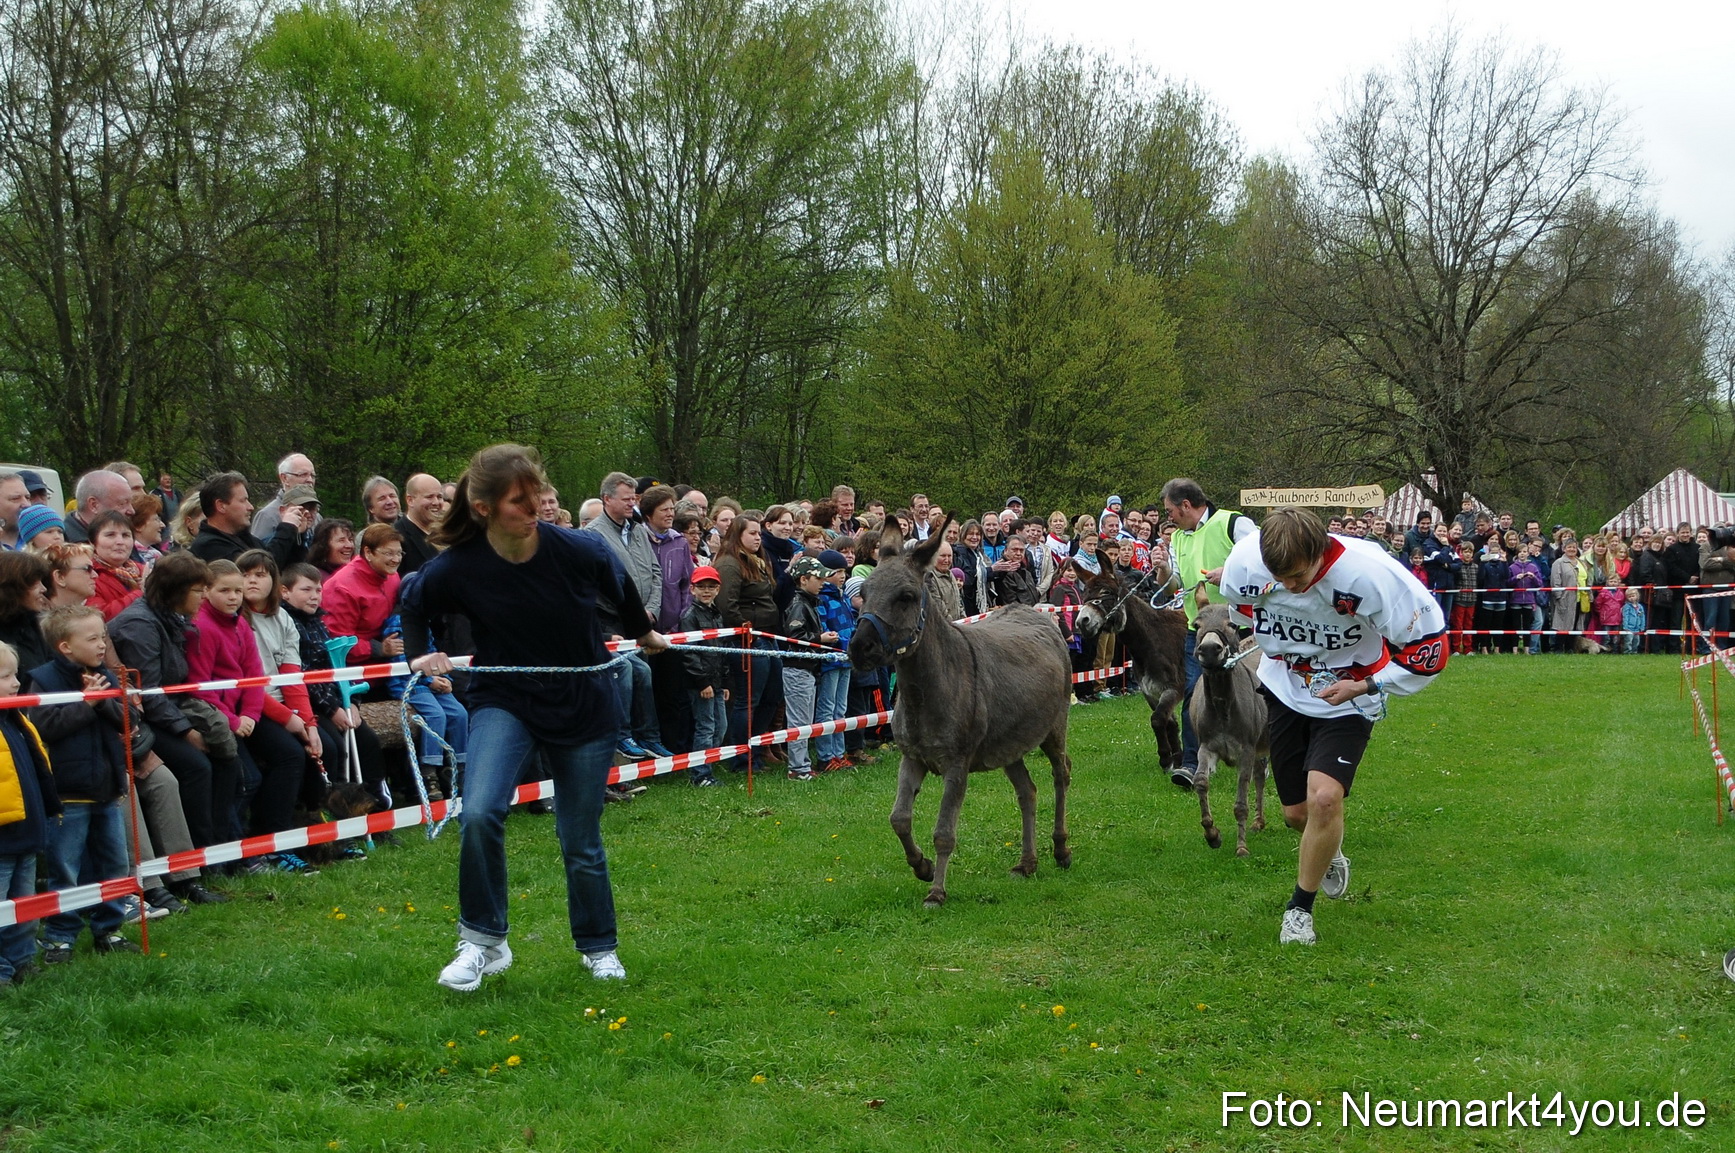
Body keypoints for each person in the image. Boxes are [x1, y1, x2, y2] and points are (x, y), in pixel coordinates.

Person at [398, 443, 669, 991]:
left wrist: (643, 632)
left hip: (584, 700)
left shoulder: (576, 549)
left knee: (580, 838)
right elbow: (413, 601)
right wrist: (417, 652)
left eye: (537, 496)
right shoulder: (458, 566)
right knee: (478, 813)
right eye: (519, 501)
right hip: (506, 699)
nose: (535, 509)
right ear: (483, 507)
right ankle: (483, 941)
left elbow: (620, 587)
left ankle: (598, 947)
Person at [1218, 509, 1447, 945]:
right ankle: (1329, 848)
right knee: (1296, 814)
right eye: (1279, 578)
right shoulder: (1245, 563)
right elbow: (1242, 610)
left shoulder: (1371, 575)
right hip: (1286, 687)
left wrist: (1365, 685)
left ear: (1320, 552)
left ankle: (1298, 911)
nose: (1290, 587)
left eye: (1298, 576)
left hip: (1349, 690)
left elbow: (1430, 650)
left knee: (1324, 798)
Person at [29, 606, 154, 961]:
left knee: (114, 862)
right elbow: (44, 726)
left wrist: (103, 703)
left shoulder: (106, 676)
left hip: (108, 789)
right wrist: (87, 704)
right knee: (65, 867)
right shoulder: (45, 679)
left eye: (104, 636)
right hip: (69, 793)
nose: (102, 645)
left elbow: (126, 718)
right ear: (65, 646)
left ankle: (109, 928)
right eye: (93, 638)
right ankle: (59, 934)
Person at [186, 560, 313, 868]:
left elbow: (255, 675)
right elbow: (199, 686)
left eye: (238, 591)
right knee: (246, 779)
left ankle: (274, 843)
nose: (233, 597)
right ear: (205, 592)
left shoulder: (239, 622)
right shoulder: (201, 628)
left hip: (246, 714)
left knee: (290, 756)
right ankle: (233, 853)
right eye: (225, 590)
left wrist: (252, 716)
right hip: (217, 717)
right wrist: (233, 720)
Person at [1162, 478, 1257, 788]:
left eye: (1170, 510)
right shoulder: (1177, 537)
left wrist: (1228, 574)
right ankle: (1193, 763)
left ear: (1186, 505)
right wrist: (1163, 569)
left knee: (1257, 689)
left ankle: (1262, 750)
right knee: (1194, 691)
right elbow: (1176, 582)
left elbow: (1264, 560)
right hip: (1199, 628)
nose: (1168, 517)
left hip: (1238, 626)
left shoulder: (1233, 524)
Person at [583, 473, 672, 761]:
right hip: (611, 622)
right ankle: (624, 736)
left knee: (645, 678)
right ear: (607, 499)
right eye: (626, 499)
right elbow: (597, 584)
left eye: (634, 499)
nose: (631, 504)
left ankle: (650, 738)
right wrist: (632, 612)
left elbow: (655, 573)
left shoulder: (637, 530)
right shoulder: (594, 535)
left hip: (642, 621)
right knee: (631, 675)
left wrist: (650, 611)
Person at [0, 640, 61, 986]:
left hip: (27, 831)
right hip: (4, 836)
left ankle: (22, 960)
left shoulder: (16, 719)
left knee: (24, 904)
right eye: (6, 677)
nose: (16, 683)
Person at [780, 555, 835, 780]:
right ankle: (798, 768)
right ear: (803, 579)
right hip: (797, 669)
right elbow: (795, 636)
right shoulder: (798, 604)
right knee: (799, 721)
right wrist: (820, 638)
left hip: (808, 669)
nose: (822, 582)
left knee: (805, 719)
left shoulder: (809, 602)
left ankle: (803, 764)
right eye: (817, 578)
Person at [190, 472, 308, 570]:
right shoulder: (208, 546)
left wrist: (298, 534)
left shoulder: (245, 538)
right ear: (221, 506)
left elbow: (287, 569)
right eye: (243, 500)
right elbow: (264, 570)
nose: (250, 507)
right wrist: (287, 528)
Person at [678, 565, 729, 785]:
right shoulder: (689, 616)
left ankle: (707, 764)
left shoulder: (717, 614)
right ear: (692, 589)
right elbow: (689, 652)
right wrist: (702, 682)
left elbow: (722, 650)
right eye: (701, 587)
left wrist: (724, 681)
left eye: (711, 587)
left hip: (717, 680)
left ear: (718, 590)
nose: (706, 591)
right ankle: (700, 774)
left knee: (721, 726)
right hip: (700, 683)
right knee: (705, 727)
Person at [86, 510, 144, 620]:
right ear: (92, 542)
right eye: (110, 535)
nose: (120, 542)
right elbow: (101, 616)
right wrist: (141, 593)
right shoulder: (88, 575)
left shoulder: (143, 570)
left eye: (126, 535)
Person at [252, 455, 322, 545]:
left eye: (312, 475)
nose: (310, 480)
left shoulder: (317, 517)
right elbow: (257, 556)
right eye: (303, 474)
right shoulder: (268, 516)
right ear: (284, 478)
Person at [62, 469, 135, 544]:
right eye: (122, 503)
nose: (132, 511)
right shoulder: (65, 549)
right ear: (94, 505)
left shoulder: (126, 537)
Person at [395, 473, 446, 576]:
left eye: (439, 497)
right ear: (410, 500)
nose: (436, 502)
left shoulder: (446, 533)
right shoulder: (396, 535)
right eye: (429, 497)